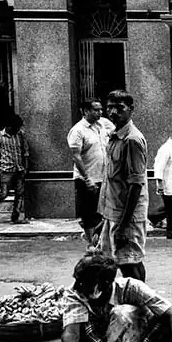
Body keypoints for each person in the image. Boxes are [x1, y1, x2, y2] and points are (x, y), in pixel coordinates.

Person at [99, 90, 149, 281]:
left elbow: (135, 185)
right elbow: (111, 182)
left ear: (131, 110)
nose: (113, 112)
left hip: (126, 215)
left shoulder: (132, 140)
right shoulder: (114, 136)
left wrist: (122, 225)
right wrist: (103, 217)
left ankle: (140, 305)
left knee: (130, 263)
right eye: (109, 107)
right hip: (113, 212)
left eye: (119, 108)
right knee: (116, 260)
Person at [68, 99, 115, 245]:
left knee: (103, 211)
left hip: (104, 177)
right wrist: (87, 178)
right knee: (89, 212)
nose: (100, 112)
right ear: (86, 111)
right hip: (87, 178)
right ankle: (91, 242)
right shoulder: (77, 130)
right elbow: (76, 156)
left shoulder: (103, 124)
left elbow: (115, 132)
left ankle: (99, 239)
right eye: (96, 110)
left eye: (101, 109)